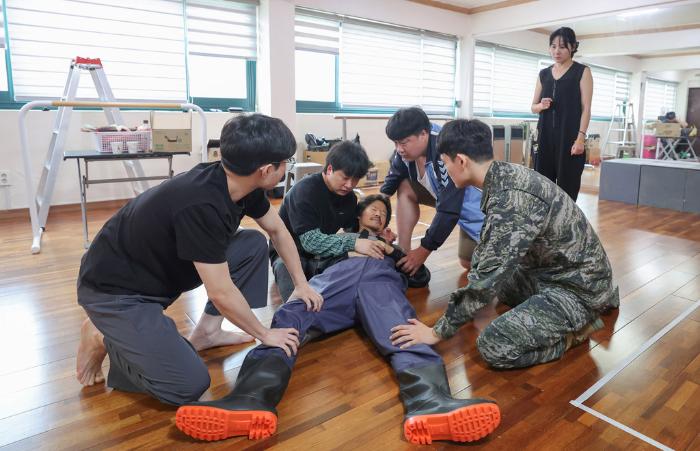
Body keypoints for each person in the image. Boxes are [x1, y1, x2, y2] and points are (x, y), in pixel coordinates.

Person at [175, 194, 501, 445]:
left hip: (379, 282)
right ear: (358, 216)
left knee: (403, 330)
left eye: (382, 213)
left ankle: (431, 403)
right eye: (372, 209)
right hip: (335, 282)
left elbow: (421, 277)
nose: (377, 213)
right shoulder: (341, 240)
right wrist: (347, 247)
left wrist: (394, 251)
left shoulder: (391, 249)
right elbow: (305, 257)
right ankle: (250, 399)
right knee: (291, 315)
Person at [75, 114, 322, 406]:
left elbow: (277, 229)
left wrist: (301, 285)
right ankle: (102, 335)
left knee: (252, 244)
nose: (285, 168)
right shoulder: (201, 203)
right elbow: (220, 292)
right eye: (286, 163)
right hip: (116, 291)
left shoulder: (242, 184)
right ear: (267, 170)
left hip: (156, 273)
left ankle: (208, 331)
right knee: (187, 385)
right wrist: (265, 334)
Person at [390, 119, 619, 370]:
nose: (445, 171)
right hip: (550, 273)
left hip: (578, 288)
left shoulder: (512, 200)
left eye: (445, 163)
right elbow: (489, 257)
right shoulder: (501, 177)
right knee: (496, 286)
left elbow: (484, 281)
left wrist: (436, 332)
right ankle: (558, 316)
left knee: (494, 345)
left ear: (462, 161)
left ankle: (575, 330)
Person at [271, 140, 388, 302]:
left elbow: (353, 229)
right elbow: (311, 243)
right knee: (290, 282)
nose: (349, 185)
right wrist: (353, 242)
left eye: (355, 180)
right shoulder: (304, 191)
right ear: (330, 168)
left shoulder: (349, 198)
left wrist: (377, 234)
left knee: (359, 265)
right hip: (290, 254)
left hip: (320, 256)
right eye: (345, 178)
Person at [381, 107, 484, 273]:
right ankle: (403, 250)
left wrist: (423, 250)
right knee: (404, 185)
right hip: (443, 198)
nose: (399, 149)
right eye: (396, 143)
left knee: (468, 263)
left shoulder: (445, 148)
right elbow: (396, 172)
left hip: (472, 209)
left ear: (423, 134)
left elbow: (449, 210)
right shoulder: (405, 150)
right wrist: (378, 202)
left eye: (403, 142)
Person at [531, 27, 593, 201]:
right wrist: (541, 106)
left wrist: (580, 138)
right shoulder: (544, 74)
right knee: (543, 188)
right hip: (545, 138)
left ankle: (565, 225)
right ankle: (545, 226)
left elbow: (586, 108)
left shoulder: (582, 72)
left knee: (568, 189)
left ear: (572, 47)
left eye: (562, 47)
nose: (556, 51)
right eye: (553, 46)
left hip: (570, 140)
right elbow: (533, 107)